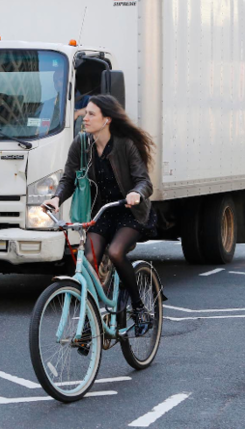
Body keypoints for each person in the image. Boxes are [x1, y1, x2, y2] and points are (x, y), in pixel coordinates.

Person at [44, 94, 157, 336]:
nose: (85, 118)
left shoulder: (125, 144)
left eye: (91, 114)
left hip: (129, 212)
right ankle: (90, 323)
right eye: (85, 113)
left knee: (116, 252)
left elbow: (144, 181)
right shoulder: (81, 145)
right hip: (102, 213)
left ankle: (139, 308)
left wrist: (136, 193)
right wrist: (56, 198)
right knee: (89, 260)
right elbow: (68, 179)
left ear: (107, 119)